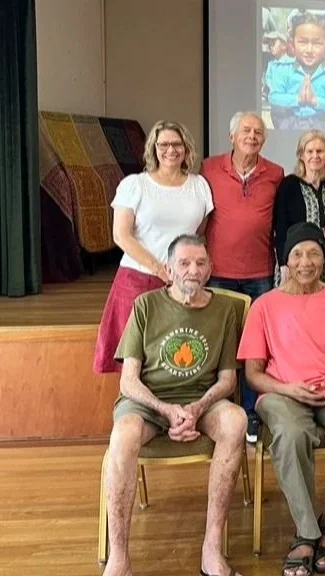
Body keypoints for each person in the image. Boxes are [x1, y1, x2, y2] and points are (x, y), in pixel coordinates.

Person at [102, 235, 246, 576]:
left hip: (202, 401)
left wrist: (197, 407)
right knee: (123, 435)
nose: (192, 270)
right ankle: (119, 559)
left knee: (236, 421)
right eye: (184, 263)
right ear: (169, 269)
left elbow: (228, 380)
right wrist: (166, 410)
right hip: (149, 403)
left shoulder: (225, 310)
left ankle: (212, 550)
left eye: (200, 263)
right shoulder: (146, 305)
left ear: (210, 269)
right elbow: (128, 381)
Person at [240, 223, 325, 576]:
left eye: (314, 253)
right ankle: (306, 531)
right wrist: (287, 389)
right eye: (297, 255)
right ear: (285, 261)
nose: (305, 262)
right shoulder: (264, 306)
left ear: (324, 259)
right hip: (281, 392)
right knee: (291, 434)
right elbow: (253, 374)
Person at [94, 120, 213, 374]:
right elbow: (121, 235)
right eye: (163, 144)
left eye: (177, 144)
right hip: (138, 280)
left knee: (175, 357)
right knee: (134, 360)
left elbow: (199, 234)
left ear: (186, 148)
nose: (171, 150)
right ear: (153, 148)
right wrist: (159, 268)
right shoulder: (135, 185)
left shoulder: (199, 186)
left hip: (183, 284)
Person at [202, 110, 284, 443]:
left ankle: (251, 412)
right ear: (232, 136)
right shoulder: (209, 169)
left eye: (258, 132)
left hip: (260, 274)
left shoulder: (275, 173)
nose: (252, 136)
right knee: (221, 343)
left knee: (255, 347)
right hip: (218, 272)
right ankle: (218, 411)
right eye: (246, 131)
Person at [274, 130, 325, 284]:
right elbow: (280, 229)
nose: (315, 156)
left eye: (320, 151)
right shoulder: (288, 185)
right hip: (298, 263)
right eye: (310, 151)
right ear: (301, 155)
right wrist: (283, 264)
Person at [265, 11, 325, 131]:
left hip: (319, 126)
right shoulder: (284, 69)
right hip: (289, 124)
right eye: (303, 42)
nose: (309, 50)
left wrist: (316, 101)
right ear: (292, 44)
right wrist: (298, 99)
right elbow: (274, 97)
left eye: (317, 43)